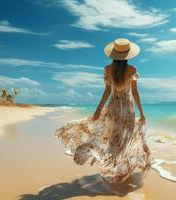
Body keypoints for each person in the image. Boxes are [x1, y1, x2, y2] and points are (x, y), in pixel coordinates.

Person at [55, 38, 152, 184]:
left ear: (114, 54)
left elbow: (107, 92)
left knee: (113, 139)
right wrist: (142, 113)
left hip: (113, 106)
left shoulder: (108, 69)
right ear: (128, 55)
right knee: (124, 140)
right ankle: (120, 170)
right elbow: (135, 93)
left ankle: (116, 168)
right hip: (127, 108)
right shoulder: (132, 70)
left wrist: (98, 110)